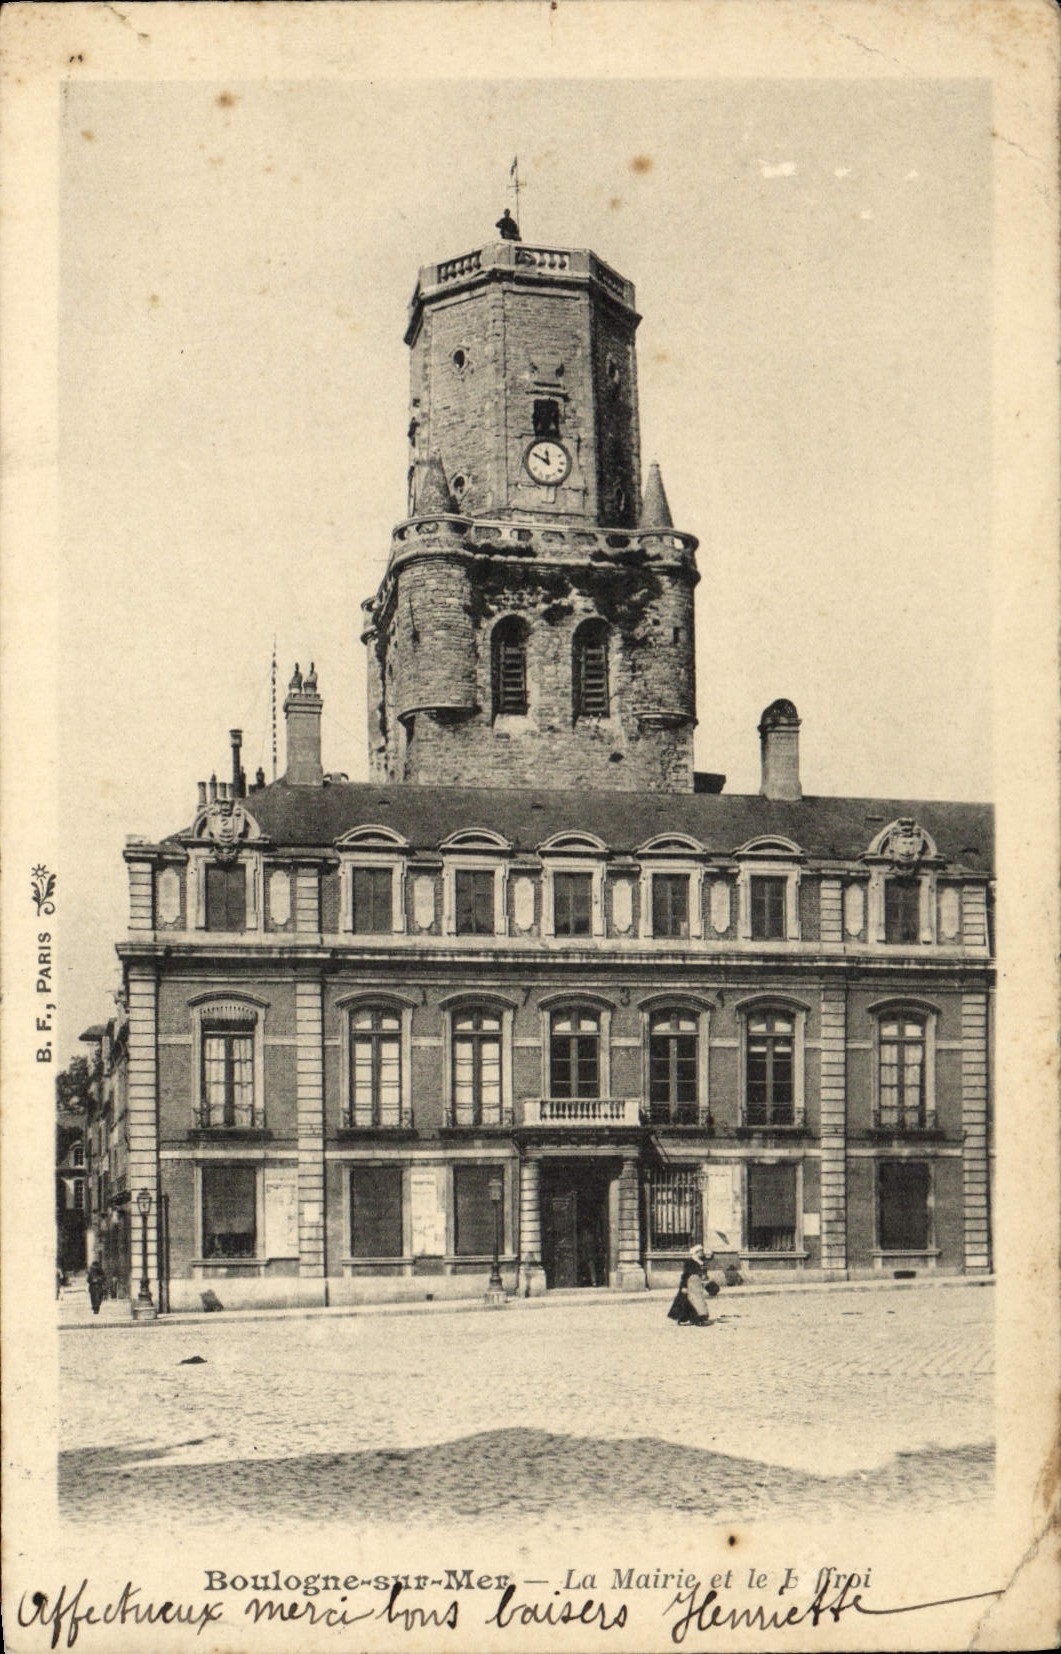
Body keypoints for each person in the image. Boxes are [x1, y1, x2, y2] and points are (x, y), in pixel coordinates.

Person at [667, 1245, 717, 1326]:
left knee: (697, 1301)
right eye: (700, 1251)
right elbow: (685, 1275)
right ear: (695, 1252)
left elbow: (706, 1266)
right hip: (690, 1284)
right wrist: (684, 1286)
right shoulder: (689, 1262)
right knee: (691, 1301)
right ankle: (693, 1319)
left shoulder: (701, 1261)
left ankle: (696, 1319)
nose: (701, 1253)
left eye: (702, 1251)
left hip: (697, 1284)